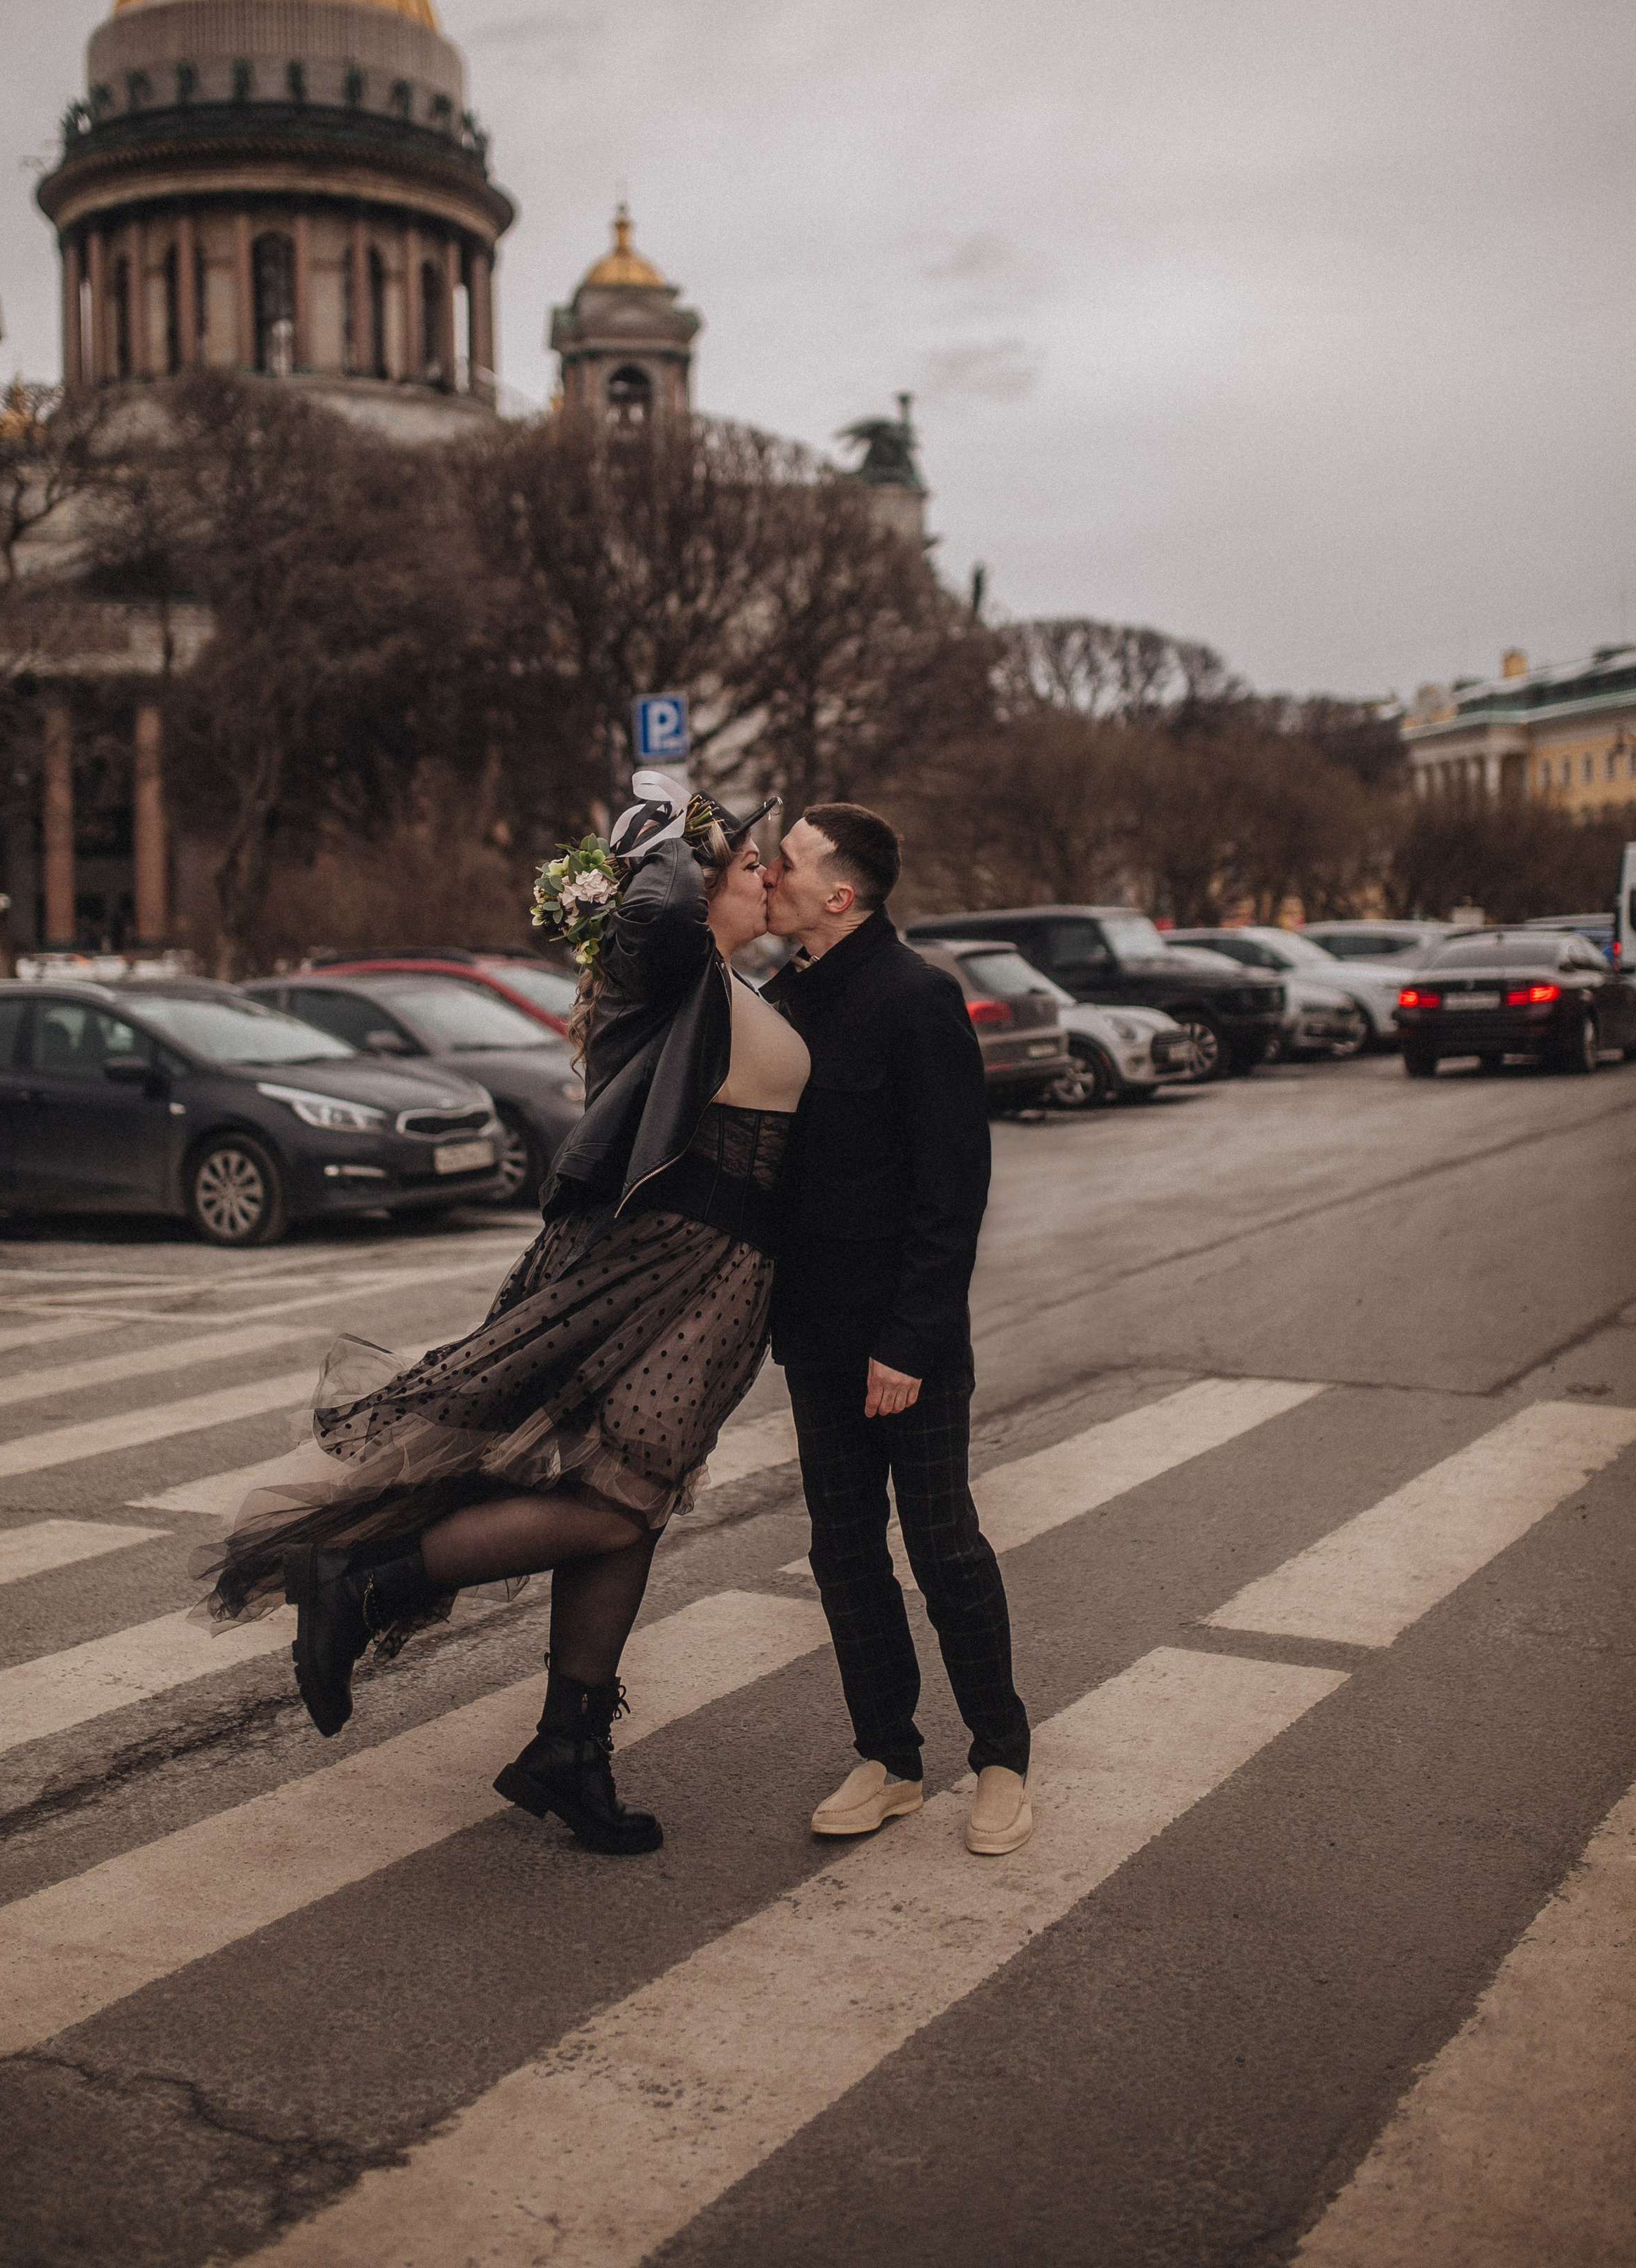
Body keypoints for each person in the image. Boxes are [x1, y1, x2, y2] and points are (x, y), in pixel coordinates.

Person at [201, 777, 804, 1858]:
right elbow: (657, 902)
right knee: (617, 1502)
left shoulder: (723, 979)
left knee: (628, 1503)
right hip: (661, 1268)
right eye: (749, 862)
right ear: (700, 883)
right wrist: (678, 824)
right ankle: (365, 1581)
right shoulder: (667, 965)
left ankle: (570, 1744)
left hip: (714, 1278)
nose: (766, 874)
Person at [760, 801, 1032, 1856]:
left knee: (943, 1547)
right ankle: (890, 1759)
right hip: (816, 1338)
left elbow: (952, 1191)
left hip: (906, 1344)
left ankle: (1000, 1758)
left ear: (841, 893)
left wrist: (910, 1344)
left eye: (787, 863)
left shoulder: (917, 999)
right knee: (842, 1554)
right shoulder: (780, 1001)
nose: (769, 874)